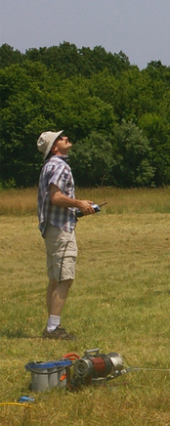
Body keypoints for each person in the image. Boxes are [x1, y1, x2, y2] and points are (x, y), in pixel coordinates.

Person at [36, 130, 96, 340]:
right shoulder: (60, 165)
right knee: (65, 278)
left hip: (52, 228)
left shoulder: (48, 166)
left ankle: (51, 325)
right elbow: (56, 197)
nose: (65, 138)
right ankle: (53, 328)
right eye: (60, 138)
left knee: (55, 278)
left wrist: (77, 207)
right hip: (61, 229)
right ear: (54, 148)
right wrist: (79, 203)